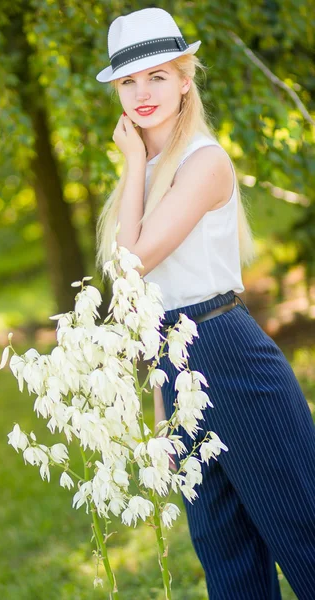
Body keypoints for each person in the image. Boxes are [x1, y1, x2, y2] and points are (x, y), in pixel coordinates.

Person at [94, 6, 315, 600]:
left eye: (158, 76)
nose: (142, 92)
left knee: (304, 535)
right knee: (228, 561)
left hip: (230, 355)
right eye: (128, 81)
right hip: (176, 359)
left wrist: (134, 160)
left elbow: (130, 265)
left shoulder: (204, 161)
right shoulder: (142, 177)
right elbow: (144, 304)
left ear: (186, 78)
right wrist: (163, 412)